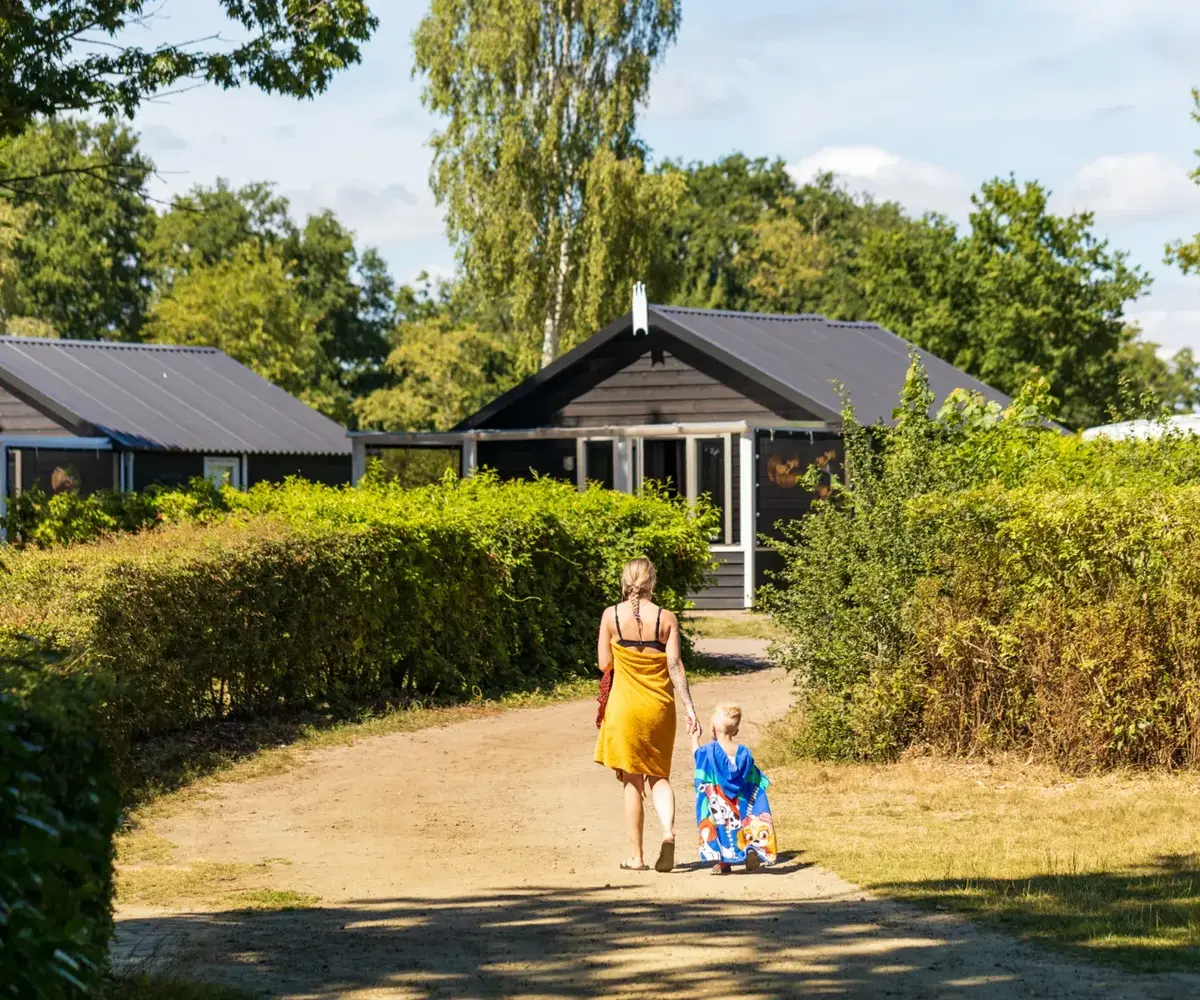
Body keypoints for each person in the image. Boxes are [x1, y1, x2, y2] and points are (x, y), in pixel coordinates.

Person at [594, 557, 699, 873]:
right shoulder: (666, 618)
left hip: (624, 708)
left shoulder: (611, 616)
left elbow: (604, 663)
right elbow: (675, 665)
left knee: (632, 779)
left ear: (625, 582)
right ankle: (668, 832)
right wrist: (689, 706)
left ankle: (637, 857)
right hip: (658, 708)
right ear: (653, 582)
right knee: (659, 776)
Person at [691, 702, 777, 875]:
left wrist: (694, 737)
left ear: (713, 728)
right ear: (736, 731)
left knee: (722, 828)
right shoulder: (744, 752)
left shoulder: (708, 751)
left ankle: (724, 862)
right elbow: (753, 776)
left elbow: (697, 757)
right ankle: (750, 850)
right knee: (744, 825)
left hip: (719, 801)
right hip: (741, 801)